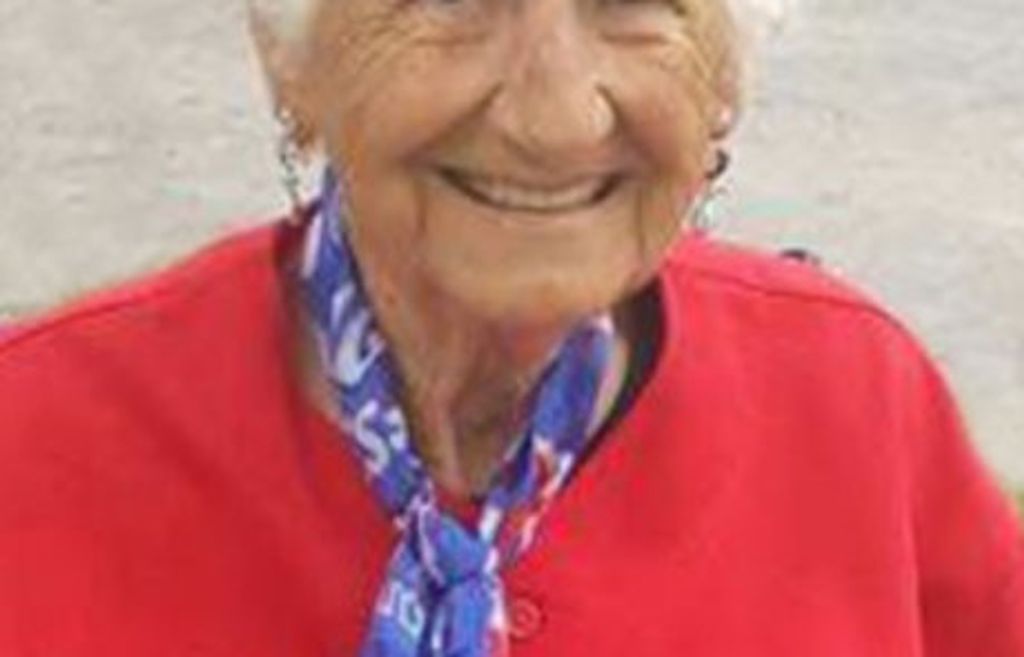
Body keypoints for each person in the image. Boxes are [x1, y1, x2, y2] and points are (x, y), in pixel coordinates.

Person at [0, 0, 1020, 655]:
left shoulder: (851, 401)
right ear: (288, 63)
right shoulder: (37, 445)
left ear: (722, 75)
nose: (556, 119)